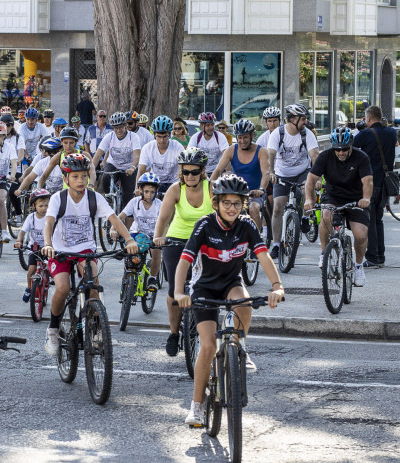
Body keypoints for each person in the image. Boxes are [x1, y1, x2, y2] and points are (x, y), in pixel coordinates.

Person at [177, 174, 285, 425]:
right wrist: (179, 292)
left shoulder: (247, 225)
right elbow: (185, 260)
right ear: (215, 203)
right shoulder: (204, 225)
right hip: (204, 288)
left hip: (230, 283)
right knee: (207, 347)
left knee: (244, 302)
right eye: (226, 203)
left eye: (237, 203)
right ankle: (196, 406)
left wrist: (277, 287)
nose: (232, 208)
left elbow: (264, 256)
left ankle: (240, 348)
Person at [40, 154, 138, 356]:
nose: (80, 181)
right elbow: (48, 223)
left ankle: (96, 329)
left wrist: (129, 239)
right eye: (75, 176)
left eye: (84, 176)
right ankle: (53, 330)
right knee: (63, 288)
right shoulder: (59, 198)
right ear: (66, 179)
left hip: (85, 250)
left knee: (93, 286)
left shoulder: (95, 198)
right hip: (60, 251)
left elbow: (114, 220)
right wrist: (48, 244)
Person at [152, 147, 211, 356]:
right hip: (177, 238)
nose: (190, 176)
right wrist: (158, 237)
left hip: (205, 240)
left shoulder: (211, 188)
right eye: (186, 172)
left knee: (207, 285)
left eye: (195, 172)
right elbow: (163, 218)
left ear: (203, 171)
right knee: (173, 290)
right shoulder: (176, 189)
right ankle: (174, 333)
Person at [303, 126, 372, 286]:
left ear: (351, 146)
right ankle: (324, 253)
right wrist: (308, 199)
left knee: (361, 235)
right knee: (326, 216)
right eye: (337, 150)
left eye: (344, 149)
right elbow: (311, 180)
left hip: (356, 198)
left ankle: (359, 266)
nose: (341, 153)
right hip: (333, 196)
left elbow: (367, 181)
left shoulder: (361, 157)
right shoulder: (325, 156)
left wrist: (366, 198)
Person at [266, 103, 319, 259]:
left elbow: (315, 156)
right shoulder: (278, 134)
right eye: (302, 119)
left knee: (306, 191)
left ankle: (305, 217)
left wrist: (317, 178)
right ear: (292, 119)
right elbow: (271, 155)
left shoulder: (307, 134)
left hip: (303, 171)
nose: (305, 122)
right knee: (277, 207)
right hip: (282, 173)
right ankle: (276, 244)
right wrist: (271, 172)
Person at [352, 105, 397, 268]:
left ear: (369, 119)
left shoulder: (364, 134)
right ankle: (380, 256)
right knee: (378, 220)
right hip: (385, 183)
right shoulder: (392, 133)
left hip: (369, 183)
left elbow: (351, 150)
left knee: (369, 221)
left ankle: (372, 257)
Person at [213, 119, 269, 231]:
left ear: (252, 135)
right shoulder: (231, 150)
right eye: (239, 137)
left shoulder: (261, 151)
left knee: (253, 208)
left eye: (245, 137)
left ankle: (256, 241)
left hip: (255, 192)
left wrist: (261, 189)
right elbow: (218, 170)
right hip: (237, 192)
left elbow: (266, 173)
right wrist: (209, 185)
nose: (242, 141)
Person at [116, 173, 163, 289]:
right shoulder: (134, 202)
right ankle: (129, 275)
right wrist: (113, 228)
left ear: (156, 192)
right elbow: (120, 217)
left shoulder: (160, 205)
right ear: (140, 189)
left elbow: (165, 224)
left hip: (154, 235)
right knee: (132, 254)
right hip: (137, 233)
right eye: (146, 191)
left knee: (156, 252)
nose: (149, 195)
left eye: (152, 192)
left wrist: (162, 237)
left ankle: (153, 278)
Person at [92, 111, 142, 210]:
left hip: (128, 167)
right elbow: (98, 155)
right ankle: (108, 198)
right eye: (115, 128)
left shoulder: (133, 137)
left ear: (125, 126)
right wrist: (91, 169)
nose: (118, 130)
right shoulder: (109, 136)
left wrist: (132, 167)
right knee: (105, 176)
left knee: (128, 196)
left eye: (120, 127)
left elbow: (137, 155)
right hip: (113, 164)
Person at [15, 188, 51, 302]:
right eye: (41, 206)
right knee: (31, 270)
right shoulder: (31, 218)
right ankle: (29, 288)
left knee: (51, 267)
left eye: (46, 205)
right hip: (34, 248)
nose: (44, 208)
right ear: (34, 206)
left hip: (48, 247)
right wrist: (19, 241)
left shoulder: (50, 217)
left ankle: (48, 281)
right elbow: (22, 231)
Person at [137, 115, 183, 195]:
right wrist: (137, 189)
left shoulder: (177, 147)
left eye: (165, 137)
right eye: (159, 136)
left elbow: (181, 169)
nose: (162, 140)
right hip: (155, 182)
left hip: (173, 182)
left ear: (170, 135)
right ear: (154, 135)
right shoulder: (148, 148)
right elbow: (141, 170)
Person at [189, 112, 230, 177]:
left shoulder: (220, 136)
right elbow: (190, 156)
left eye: (212, 125)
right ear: (201, 126)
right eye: (208, 125)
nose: (211, 127)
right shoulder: (195, 137)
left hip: (218, 171)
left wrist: (228, 173)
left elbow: (226, 156)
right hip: (201, 172)